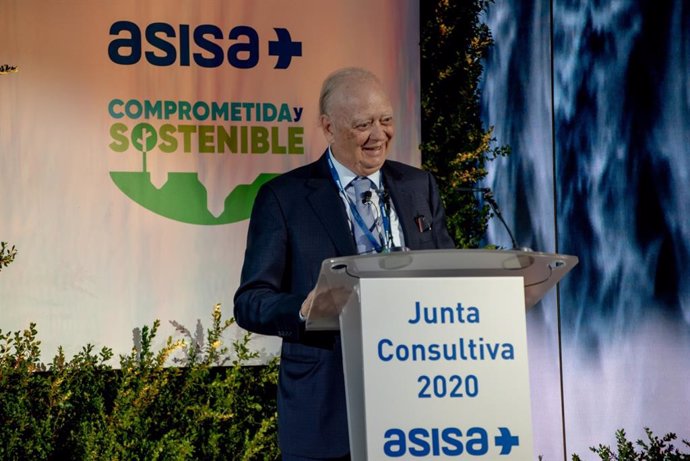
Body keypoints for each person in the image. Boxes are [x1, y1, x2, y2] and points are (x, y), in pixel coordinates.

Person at [234, 67, 455, 460]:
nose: (378, 135)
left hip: (418, 403)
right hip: (327, 407)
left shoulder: (419, 186)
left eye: (386, 120)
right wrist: (303, 308)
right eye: (362, 124)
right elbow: (251, 301)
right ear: (328, 127)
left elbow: (448, 272)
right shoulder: (284, 198)